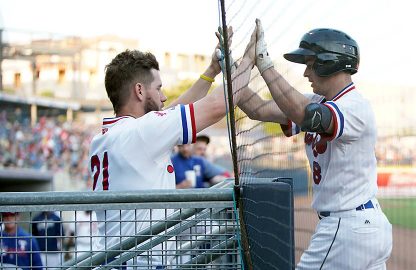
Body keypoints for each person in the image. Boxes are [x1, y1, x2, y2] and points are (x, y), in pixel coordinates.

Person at [88, 27, 255, 268]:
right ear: (139, 90)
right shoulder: (141, 133)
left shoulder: (113, 135)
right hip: (139, 262)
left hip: (119, 259)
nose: (164, 96)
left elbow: (172, 113)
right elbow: (218, 106)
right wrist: (249, 58)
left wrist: (210, 72)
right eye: (158, 88)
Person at [238, 19, 393, 269]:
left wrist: (265, 63)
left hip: (346, 227)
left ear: (329, 63)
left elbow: (307, 115)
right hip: (361, 227)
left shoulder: (355, 107)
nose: (305, 73)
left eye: (310, 64)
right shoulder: (318, 100)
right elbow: (257, 109)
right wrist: (232, 67)